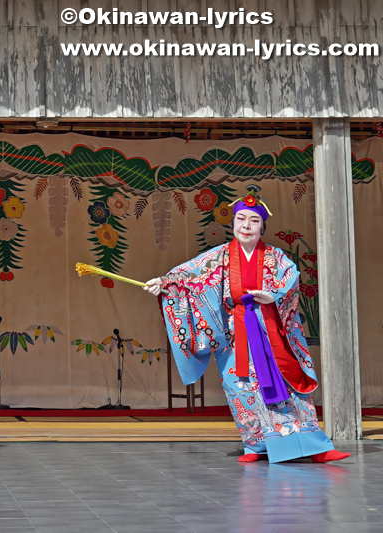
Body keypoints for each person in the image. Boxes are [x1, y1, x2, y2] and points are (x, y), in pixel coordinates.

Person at [144, 185, 349, 464]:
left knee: (286, 383)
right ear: (233, 224)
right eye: (241, 219)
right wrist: (164, 284)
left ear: (262, 227)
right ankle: (255, 446)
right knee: (239, 387)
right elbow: (187, 277)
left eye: (254, 221)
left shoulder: (276, 257)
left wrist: (272, 296)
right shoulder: (218, 256)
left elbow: (290, 280)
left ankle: (316, 446)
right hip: (235, 332)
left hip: (269, 328)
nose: (246, 225)